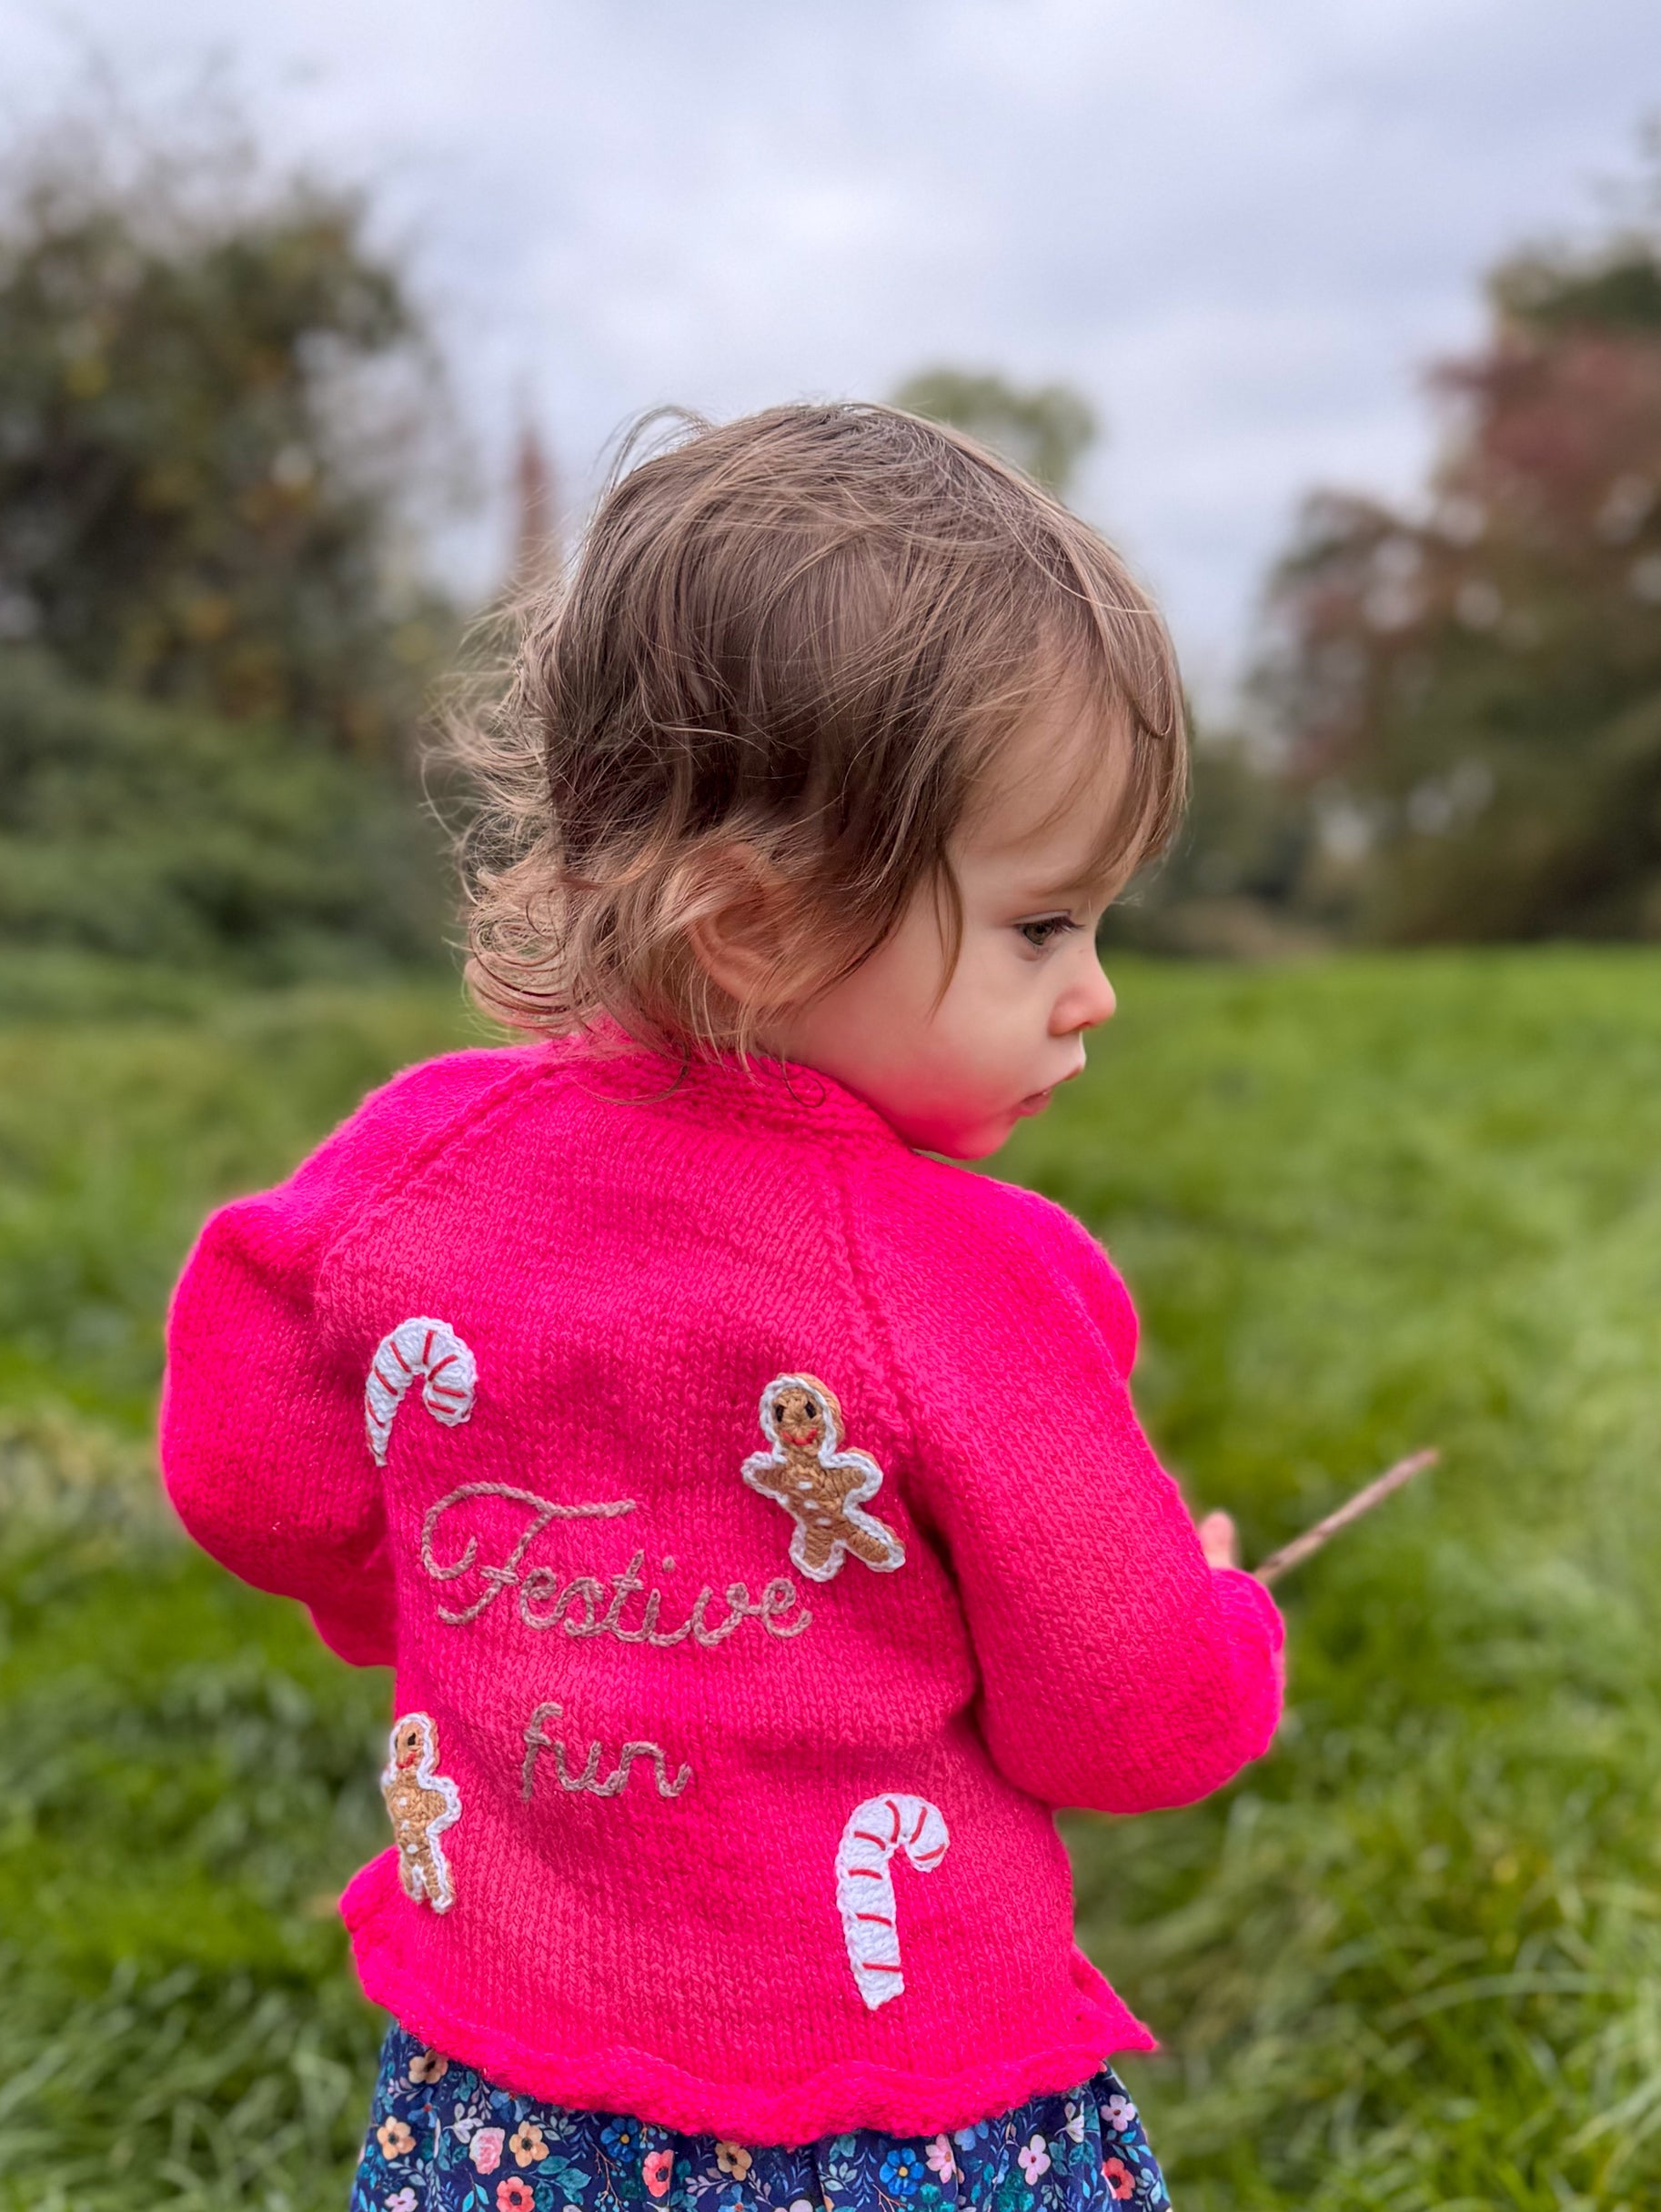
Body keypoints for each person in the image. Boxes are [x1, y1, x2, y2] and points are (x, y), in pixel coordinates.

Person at [160, 403, 1284, 2212]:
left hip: (498, 2092)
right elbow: (1123, 1716)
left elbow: (248, 1455)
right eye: (1039, 927)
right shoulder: (967, 1283)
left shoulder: (411, 1167)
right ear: (754, 922)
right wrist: (1221, 1615)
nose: (1094, 996)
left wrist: (428, 1583)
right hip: (896, 2113)